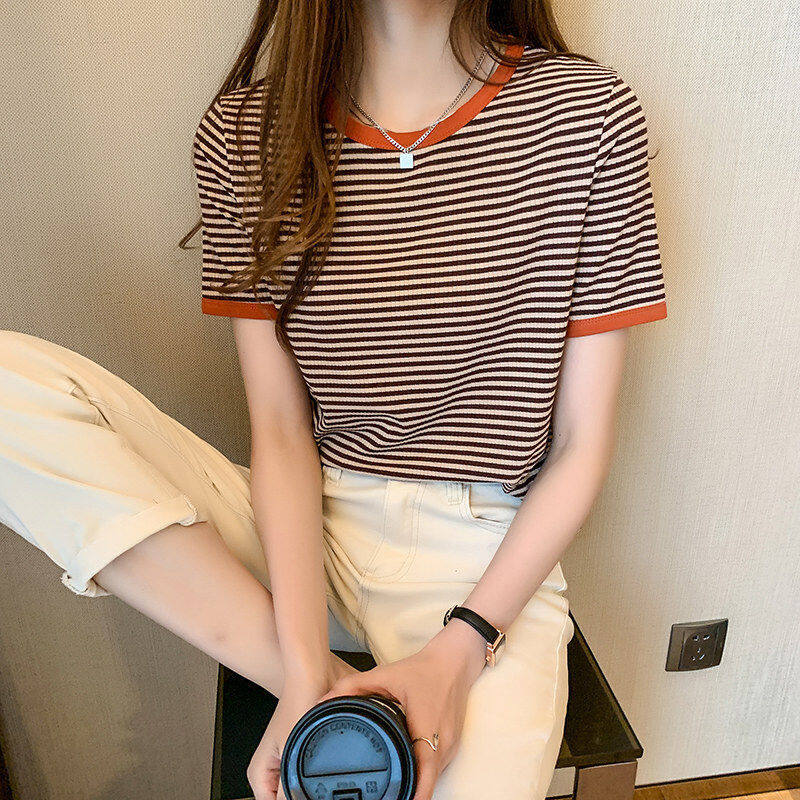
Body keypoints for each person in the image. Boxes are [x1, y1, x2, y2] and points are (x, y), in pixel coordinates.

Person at [0, 1, 668, 798]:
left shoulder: (587, 113)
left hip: (480, 561)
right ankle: (325, 692)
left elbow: (582, 445)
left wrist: (463, 648)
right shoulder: (246, 133)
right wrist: (301, 669)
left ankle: (358, 704)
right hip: (303, 532)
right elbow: (281, 431)